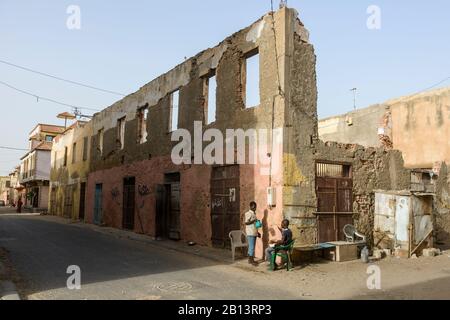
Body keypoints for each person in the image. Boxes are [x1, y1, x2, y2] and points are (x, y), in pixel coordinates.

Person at [244, 201, 259, 266]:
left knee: (252, 246)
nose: (255, 208)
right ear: (250, 207)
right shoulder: (248, 213)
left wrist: (257, 232)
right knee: (251, 247)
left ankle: (251, 259)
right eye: (254, 207)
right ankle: (250, 260)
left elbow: (254, 224)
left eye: (255, 207)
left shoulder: (254, 213)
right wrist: (253, 221)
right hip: (250, 232)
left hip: (254, 232)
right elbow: (246, 223)